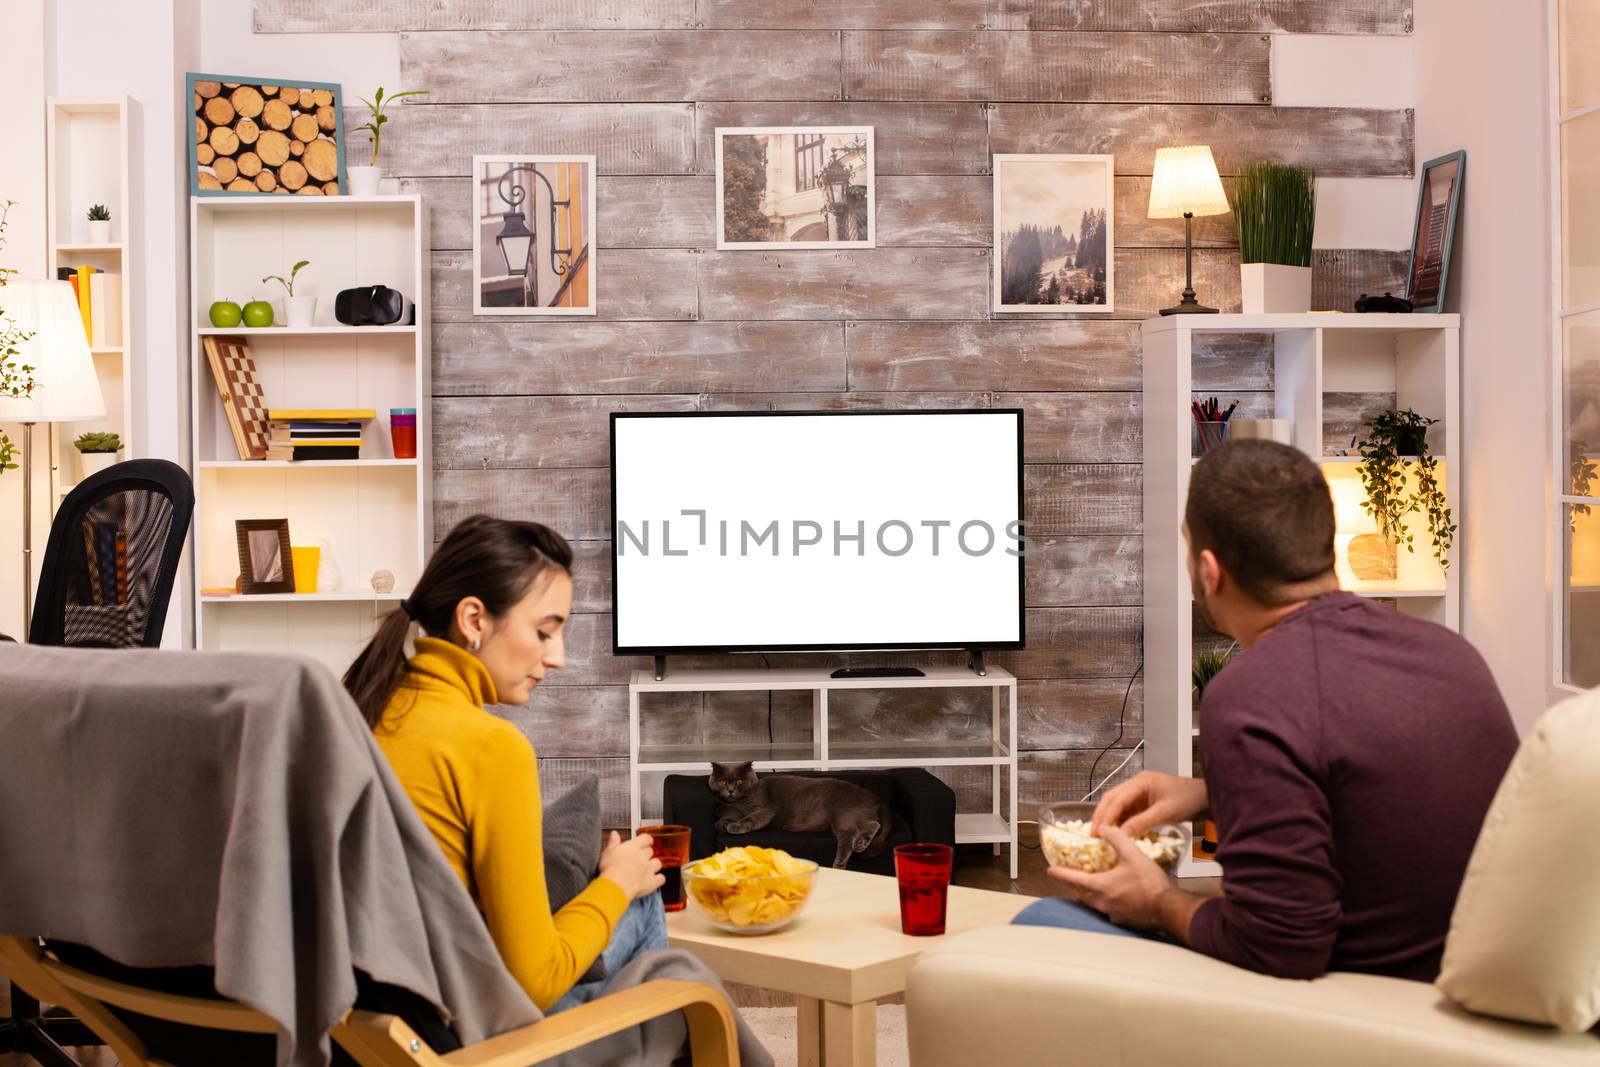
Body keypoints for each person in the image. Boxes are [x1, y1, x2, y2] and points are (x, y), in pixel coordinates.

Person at [1014, 439, 1519, 982]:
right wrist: (1212, 796)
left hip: (1370, 1009)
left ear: (1210, 571)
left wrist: (1157, 900)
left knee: (1042, 921)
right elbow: (1377, 798)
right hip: (1472, 976)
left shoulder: (1250, 694)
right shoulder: (1446, 652)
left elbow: (1282, 948)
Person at [343, 514, 667, 1013]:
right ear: (474, 620)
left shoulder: (358, 706)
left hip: (356, 1019)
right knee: (640, 896)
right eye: (543, 632)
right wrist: (617, 882)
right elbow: (534, 981)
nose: (556, 657)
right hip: (455, 1028)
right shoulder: (491, 747)